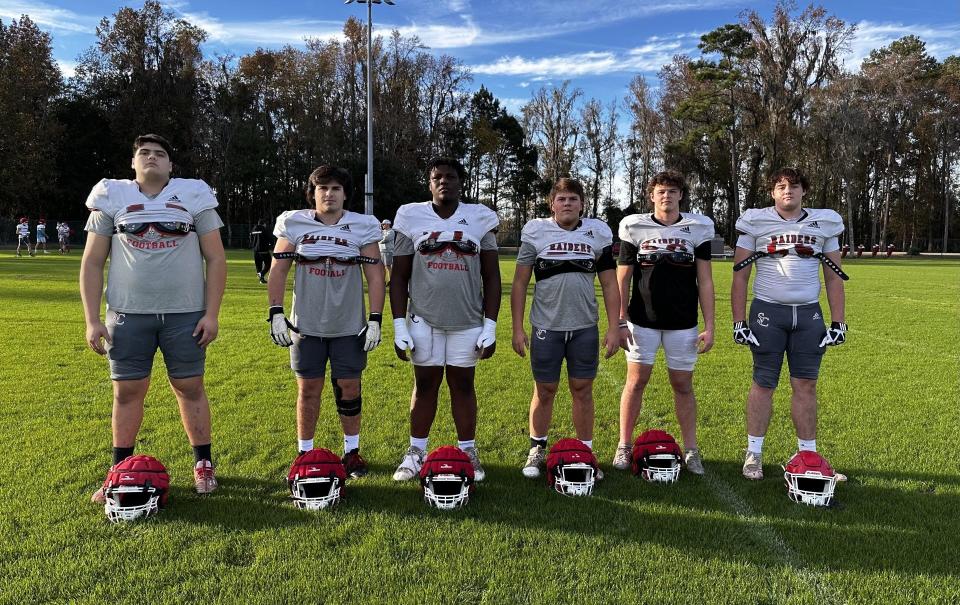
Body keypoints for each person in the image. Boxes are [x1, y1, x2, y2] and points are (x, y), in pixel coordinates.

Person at [81, 134, 227, 502]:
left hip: (185, 313)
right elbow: (92, 262)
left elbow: (216, 259)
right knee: (127, 392)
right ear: (133, 163)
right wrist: (92, 319)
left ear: (171, 165)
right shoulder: (111, 196)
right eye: (144, 153)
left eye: (160, 154)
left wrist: (212, 313)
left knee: (190, 386)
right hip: (128, 313)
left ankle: (203, 464)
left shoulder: (193, 195)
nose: (151, 158)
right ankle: (119, 467)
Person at [267, 165, 385, 478]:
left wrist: (375, 319)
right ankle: (304, 453)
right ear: (313, 193)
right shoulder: (294, 222)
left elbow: (375, 274)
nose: (329, 194)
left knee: (349, 386)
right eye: (323, 188)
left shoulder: (362, 226)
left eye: (335, 188)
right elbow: (278, 269)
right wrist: (276, 312)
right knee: (308, 390)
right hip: (306, 325)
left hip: (348, 325)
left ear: (345, 193)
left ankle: (352, 451)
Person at [731, 167, 847, 481]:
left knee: (806, 385)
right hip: (768, 313)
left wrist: (839, 321)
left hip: (809, 315)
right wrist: (739, 321)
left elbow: (833, 276)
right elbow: (739, 275)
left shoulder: (824, 222)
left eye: (794, 187)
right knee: (764, 383)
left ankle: (808, 455)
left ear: (803, 191)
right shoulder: (755, 221)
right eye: (781, 187)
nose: (788, 192)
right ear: (772, 192)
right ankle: (753, 454)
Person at [390, 157, 501, 482]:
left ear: (460, 182)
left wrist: (490, 323)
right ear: (429, 183)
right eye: (437, 176)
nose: (444, 182)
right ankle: (415, 451)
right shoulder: (409, 215)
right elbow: (398, 277)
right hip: (424, 318)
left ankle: (467, 450)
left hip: (467, 320)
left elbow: (492, 277)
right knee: (425, 385)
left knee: (463, 385)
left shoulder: (480, 217)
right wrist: (398, 323)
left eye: (450, 177)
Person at [510, 178, 621, 479]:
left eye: (573, 198)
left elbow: (610, 283)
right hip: (547, 325)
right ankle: (537, 448)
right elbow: (520, 282)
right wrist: (517, 328)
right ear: (552, 204)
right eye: (562, 199)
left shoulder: (597, 233)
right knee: (544, 389)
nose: (568, 203)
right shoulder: (536, 231)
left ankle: (586, 451)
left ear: (582, 203)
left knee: (583, 390)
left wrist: (615, 327)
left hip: (584, 325)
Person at [614, 170, 716, 475]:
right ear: (651, 195)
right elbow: (623, 277)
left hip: (683, 320)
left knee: (682, 385)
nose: (666, 196)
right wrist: (620, 319)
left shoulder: (698, 227)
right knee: (635, 382)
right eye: (661, 191)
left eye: (672, 191)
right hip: (641, 319)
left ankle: (692, 450)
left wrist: (710, 324)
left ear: (681, 195)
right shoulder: (634, 226)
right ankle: (623, 445)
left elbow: (706, 280)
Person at [379, 218, 395, 286]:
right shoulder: (382, 231)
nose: (382, 226)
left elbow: (385, 239)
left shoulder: (391, 232)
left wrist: (378, 240)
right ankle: (384, 280)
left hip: (388, 251)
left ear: (388, 224)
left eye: (384, 224)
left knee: (388, 266)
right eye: (382, 224)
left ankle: (391, 280)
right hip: (381, 251)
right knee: (382, 267)